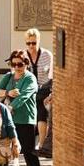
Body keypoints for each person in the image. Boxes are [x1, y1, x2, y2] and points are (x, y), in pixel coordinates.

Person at [0, 50, 43, 166]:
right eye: (14, 64)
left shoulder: (30, 78)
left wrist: (10, 107)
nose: (17, 67)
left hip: (25, 119)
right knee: (5, 150)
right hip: (9, 119)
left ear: (26, 64)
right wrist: (7, 93)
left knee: (28, 151)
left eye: (20, 64)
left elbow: (24, 96)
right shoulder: (8, 77)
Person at [24, 28, 54, 156]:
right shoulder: (23, 55)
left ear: (38, 42)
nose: (31, 46)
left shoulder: (47, 55)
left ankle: (40, 144)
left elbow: (52, 77)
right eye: (29, 43)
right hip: (29, 89)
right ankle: (39, 144)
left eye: (34, 43)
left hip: (44, 88)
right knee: (40, 105)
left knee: (41, 105)